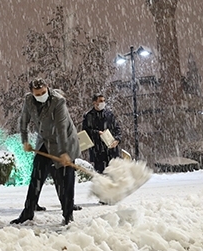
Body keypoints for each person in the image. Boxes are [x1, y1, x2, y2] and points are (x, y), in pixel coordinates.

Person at [11, 78, 80, 225]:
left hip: (64, 141)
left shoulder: (58, 101)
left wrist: (63, 152)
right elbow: (23, 121)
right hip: (45, 141)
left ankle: (68, 215)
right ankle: (28, 213)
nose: (41, 95)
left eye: (43, 92)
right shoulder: (29, 100)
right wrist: (25, 141)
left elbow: (61, 128)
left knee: (64, 180)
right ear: (32, 93)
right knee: (37, 176)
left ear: (47, 88)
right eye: (38, 93)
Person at [82, 94, 121, 173]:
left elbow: (117, 129)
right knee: (101, 174)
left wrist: (117, 139)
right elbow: (85, 132)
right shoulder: (89, 116)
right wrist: (97, 133)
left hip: (111, 150)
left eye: (103, 101)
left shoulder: (109, 114)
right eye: (100, 101)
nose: (103, 103)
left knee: (114, 174)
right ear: (94, 102)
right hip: (97, 151)